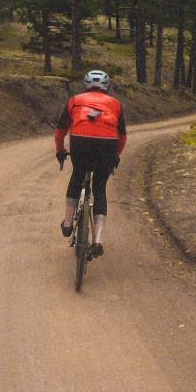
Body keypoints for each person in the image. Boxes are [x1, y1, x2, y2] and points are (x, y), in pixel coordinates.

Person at [54, 69, 127, 258]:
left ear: (86, 85)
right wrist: (115, 156)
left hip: (81, 141)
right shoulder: (116, 104)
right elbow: (122, 136)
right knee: (100, 188)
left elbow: (60, 130)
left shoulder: (75, 100)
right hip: (108, 145)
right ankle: (97, 241)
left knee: (78, 176)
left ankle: (68, 224)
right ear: (107, 86)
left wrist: (60, 151)